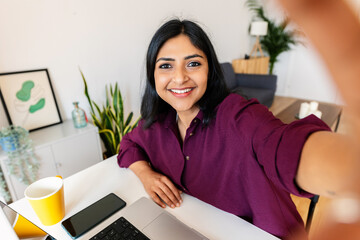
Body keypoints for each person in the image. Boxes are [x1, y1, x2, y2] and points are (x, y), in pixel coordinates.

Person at [117, 14, 359, 240]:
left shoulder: (239, 117)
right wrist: (145, 174)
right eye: (166, 66)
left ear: (209, 70)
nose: (180, 78)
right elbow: (128, 144)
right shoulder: (157, 122)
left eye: (193, 64)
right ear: (153, 75)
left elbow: (286, 147)